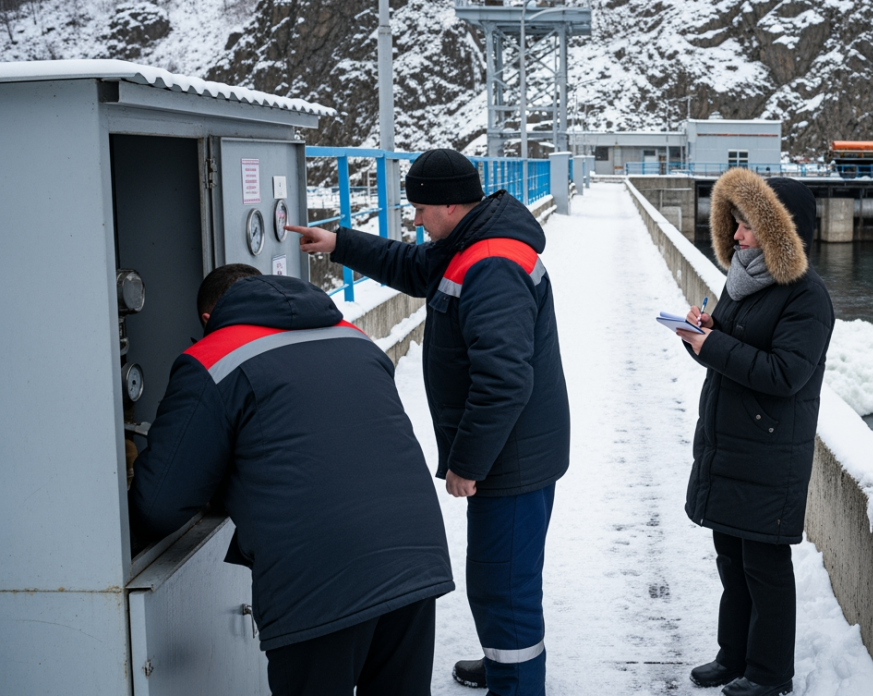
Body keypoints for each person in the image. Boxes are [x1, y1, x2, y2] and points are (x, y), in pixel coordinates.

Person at [288, 148, 569, 696]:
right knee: (500, 577)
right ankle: (506, 663)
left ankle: (516, 681)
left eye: (419, 209)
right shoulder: (468, 243)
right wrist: (339, 243)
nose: (415, 220)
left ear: (450, 204)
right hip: (512, 449)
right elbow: (416, 268)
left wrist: (468, 463)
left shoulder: (491, 265)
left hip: (511, 458)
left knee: (503, 586)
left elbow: (505, 380)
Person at [129, 264, 455, 696]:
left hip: (318, 580)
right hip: (414, 557)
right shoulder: (352, 337)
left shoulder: (212, 357)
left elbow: (158, 505)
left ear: (208, 318)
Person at [674, 170, 834, 696]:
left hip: (770, 452)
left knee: (765, 566)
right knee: (732, 560)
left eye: (747, 227)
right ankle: (733, 656)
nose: (737, 235)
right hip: (730, 443)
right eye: (737, 225)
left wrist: (715, 345)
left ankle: (770, 674)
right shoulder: (744, 279)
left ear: (779, 234)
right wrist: (704, 333)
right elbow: (734, 349)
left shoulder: (807, 297)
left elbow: (785, 374)